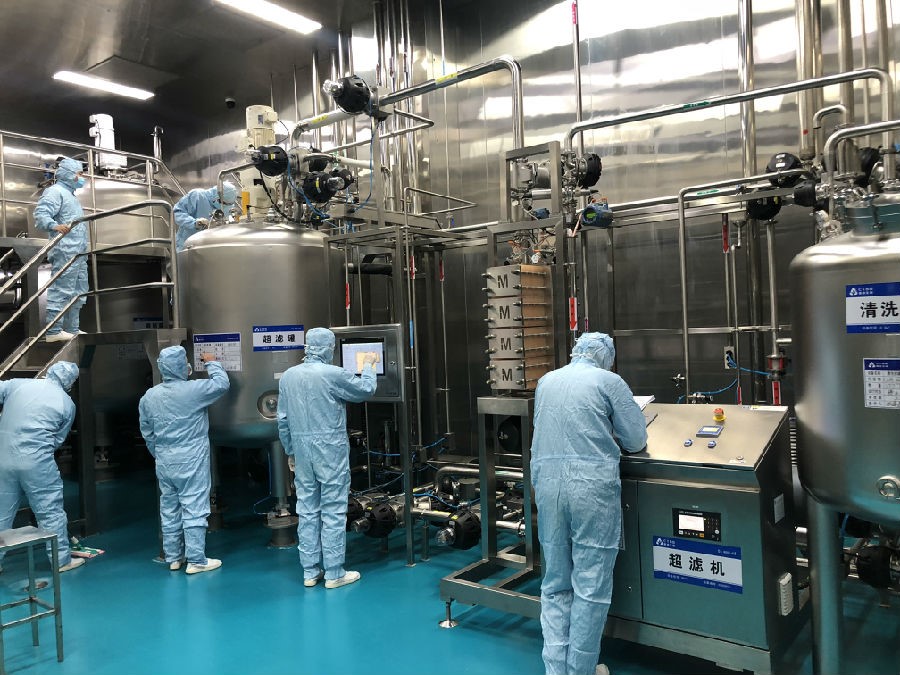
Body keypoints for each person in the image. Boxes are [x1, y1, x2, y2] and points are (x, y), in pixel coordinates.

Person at [530, 332, 648, 675]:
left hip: (548, 488)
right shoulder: (608, 381)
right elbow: (635, 440)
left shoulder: (546, 381)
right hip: (591, 490)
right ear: (606, 356)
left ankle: (556, 670)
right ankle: (580, 669)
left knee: (555, 584)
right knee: (590, 585)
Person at [277, 327, 378, 589]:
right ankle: (334, 573)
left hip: (302, 452)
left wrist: (290, 452)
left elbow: (283, 420)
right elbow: (365, 389)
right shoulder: (333, 374)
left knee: (307, 510)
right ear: (328, 348)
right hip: (330, 451)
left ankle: (310, 571)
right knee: (333, 509)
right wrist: (368, 365)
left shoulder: (288, 377)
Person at [138, 346, 230, 574]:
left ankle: (173, 558)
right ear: (183, 367)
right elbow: (222, 384)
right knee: (194, 507)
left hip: (164, 460)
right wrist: (211, 361)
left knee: (169, 508)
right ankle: (196, 560)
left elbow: (147, 431)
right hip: (191, 459)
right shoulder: (193, 390)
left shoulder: (149, 396)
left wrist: (159, 453)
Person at [0, 361, 85, 573]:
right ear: (70, 382)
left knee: (2, 512)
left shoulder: (17, 385)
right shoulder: (66, 403)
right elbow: (58, 439)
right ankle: (61, 561)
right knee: (50, 512)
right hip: (37, 462)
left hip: (4, 459)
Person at [33, 157, 88, 342]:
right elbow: (41, 214)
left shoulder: (71, 196)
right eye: (79, 173)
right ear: (68, 174)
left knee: (79, 290)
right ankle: (54, 330)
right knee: (62, 289)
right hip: (66, 249)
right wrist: (54, 225)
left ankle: (72, 328)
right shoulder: (55, 191)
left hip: (79, 251)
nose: (82, 177)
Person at [173, 180, 240, 251]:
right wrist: (194, 223)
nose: (224, 206)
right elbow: (177, 212)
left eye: (228, 204)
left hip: (210, 248)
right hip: (187, 247)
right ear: (217, 197)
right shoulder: (197, 196)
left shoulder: (228, 206)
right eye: (224, 203)